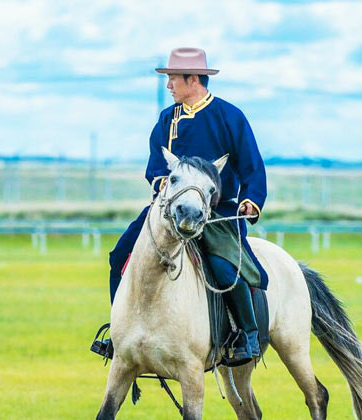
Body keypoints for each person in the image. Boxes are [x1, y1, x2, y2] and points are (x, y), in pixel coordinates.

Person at [91, 47, 268, 367]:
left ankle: (247, 334)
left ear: (193, 79)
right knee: (119, 255)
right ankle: (119, 334)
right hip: (168, 209)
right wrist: (161, 185)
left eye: (173, 79)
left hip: (215, 211)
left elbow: (252, 165)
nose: (169, 85)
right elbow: (156, 167)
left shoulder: (230, 117)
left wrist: (251, 200)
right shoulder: (166, 119)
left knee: (227, 267)